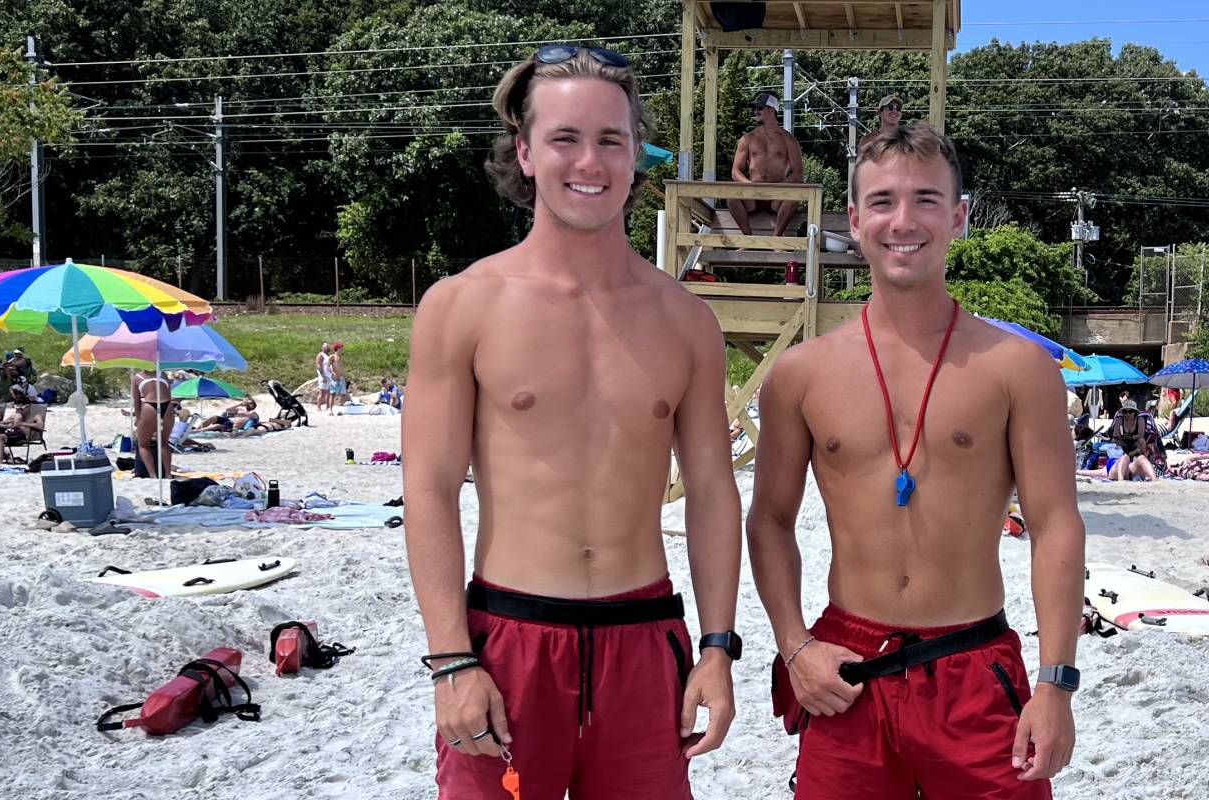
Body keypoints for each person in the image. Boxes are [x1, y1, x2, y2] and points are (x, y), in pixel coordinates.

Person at [404, 44, 741, 799]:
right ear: (524, 153)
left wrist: (717, 645)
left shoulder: (686, 321)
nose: (589, 161)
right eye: (565, 138)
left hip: (646, 641)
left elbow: (716, 490)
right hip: (506, 642)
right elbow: (427, 488)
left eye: (610, 140)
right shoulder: (462, 306)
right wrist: (451, 661)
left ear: (634, 156)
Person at [747, 122, 1084, 799]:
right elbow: (770, 520)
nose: (904, 221)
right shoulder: (800, 374)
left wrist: (1055, 683)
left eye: (927, 200)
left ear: (959, 217)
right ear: (854, 218)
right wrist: (793, 646)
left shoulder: (1016, 367)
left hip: (972, 665)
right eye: (883, 201)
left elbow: (1055, 525)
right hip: (846, 671)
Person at [729, 92, 804, 237]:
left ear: (771, 110)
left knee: (795, 196)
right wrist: (749, 185)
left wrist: (780, 187)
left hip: (778, 195)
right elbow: (735, 171)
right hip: (753, 194)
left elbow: (798, 172)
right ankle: (747, 239)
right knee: (731, 196)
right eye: (755, 108)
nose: (755, 111)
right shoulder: (747, 139)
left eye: (760, 108)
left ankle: (776, 239)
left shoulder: (788, 139)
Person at [130, 368, 177, 478]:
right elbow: (169, 395)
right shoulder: (162, 374)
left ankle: (153, 475)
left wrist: (138, 418)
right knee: (164, 443)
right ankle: (168, 474)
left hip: (149, 406)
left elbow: (136, 401)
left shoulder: (137, 377)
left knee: (143, 444)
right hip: (167, 406)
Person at [0, 394, 44, 463]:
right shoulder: (15, 416)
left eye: (21, 409)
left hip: (23, 435)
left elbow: (41, 426)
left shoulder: (35, 416)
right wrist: (9, 424)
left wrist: (21, 423)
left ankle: (0, 460)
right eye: (17, 409)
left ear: (28, 407)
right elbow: (0, 423)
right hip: (11, 433)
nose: (19, 411)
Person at [314, 342, 334, 411]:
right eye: (326, 346)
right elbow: (318, 365)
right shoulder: (321, 355)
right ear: (322, 347)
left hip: (329, 376)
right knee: (322, 392)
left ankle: (328, 407)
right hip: (323, 376)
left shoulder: (328, 356)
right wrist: (322, 376)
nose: (328, 347)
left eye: (328, 346)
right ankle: (318, 407)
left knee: (329, 392)